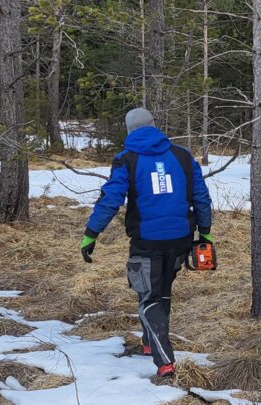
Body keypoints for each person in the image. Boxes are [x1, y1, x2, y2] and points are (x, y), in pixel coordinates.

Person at [80, 108, 214, 377]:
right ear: (155, 125)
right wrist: (206, 231)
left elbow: (111, 199)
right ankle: (147, 343)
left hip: (147, 242)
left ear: (129, 130)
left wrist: (92, 233)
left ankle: (164, 361)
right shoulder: (182, 156)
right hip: (181, 239)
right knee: (162, 291)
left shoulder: (126, 160)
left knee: (149, 296)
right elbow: (201, 196)